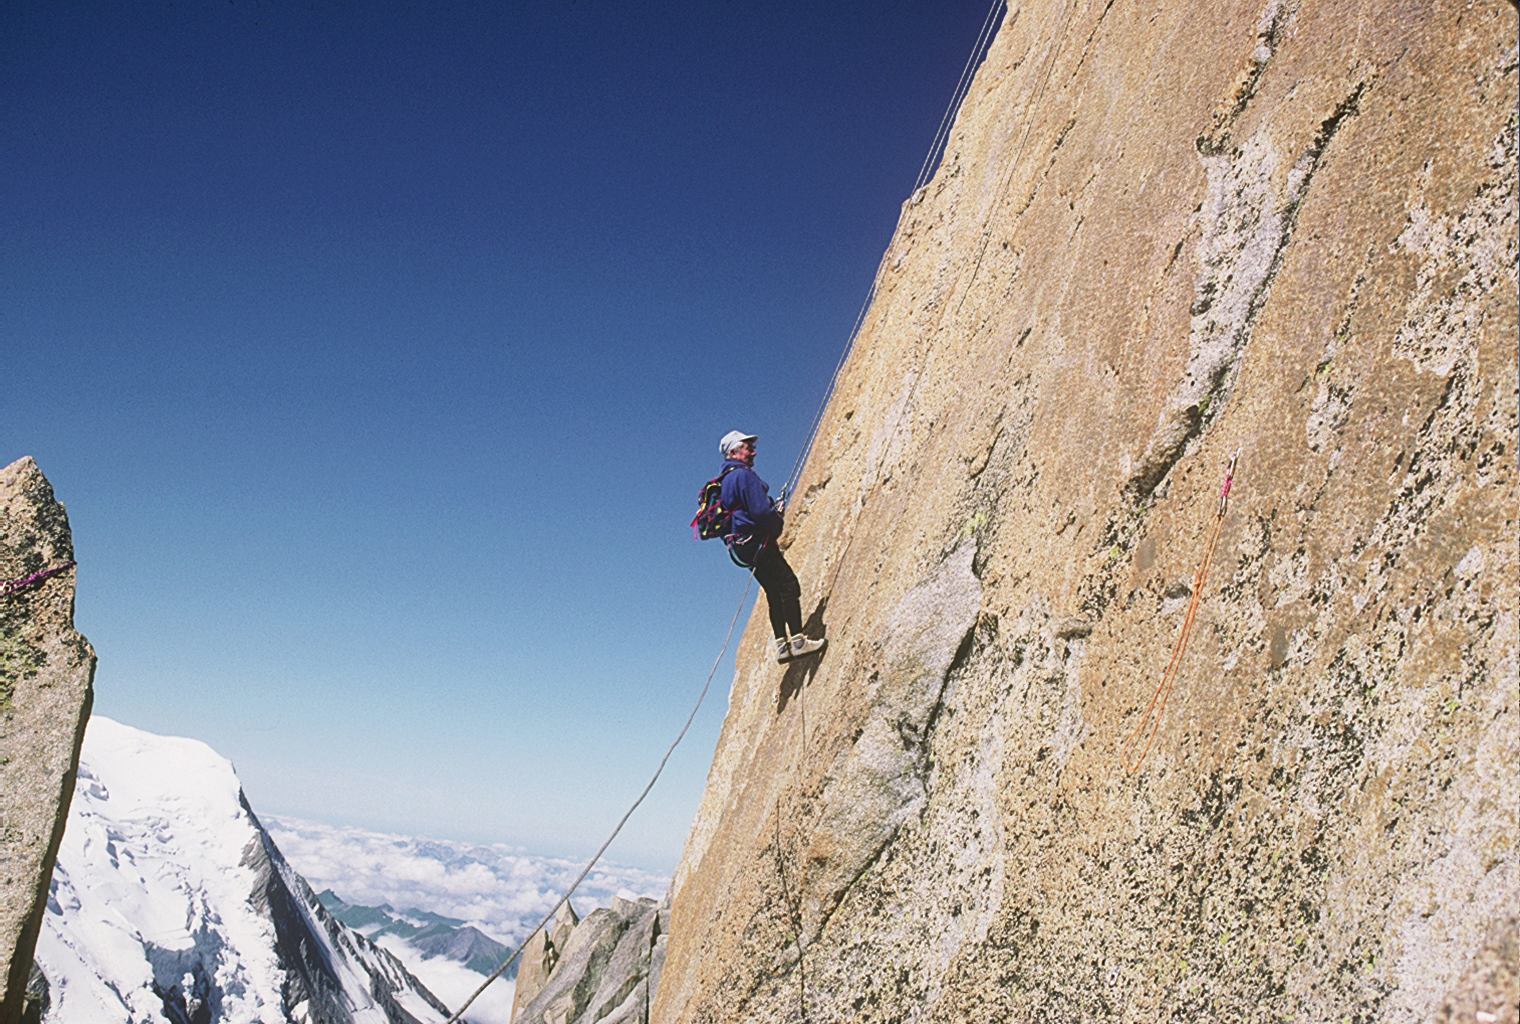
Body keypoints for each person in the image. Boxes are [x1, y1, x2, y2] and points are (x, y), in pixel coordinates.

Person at [716, 430, 826, 664]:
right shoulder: (744, 476)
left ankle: (782, 646)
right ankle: (798, 641)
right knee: (788, 585)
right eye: (748, 447)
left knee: (774, 592)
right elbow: (758, 512)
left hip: (741, 548)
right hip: (756, 542)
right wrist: (776, 523)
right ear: (734, 452)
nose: (753, 452)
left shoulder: (725, 481)